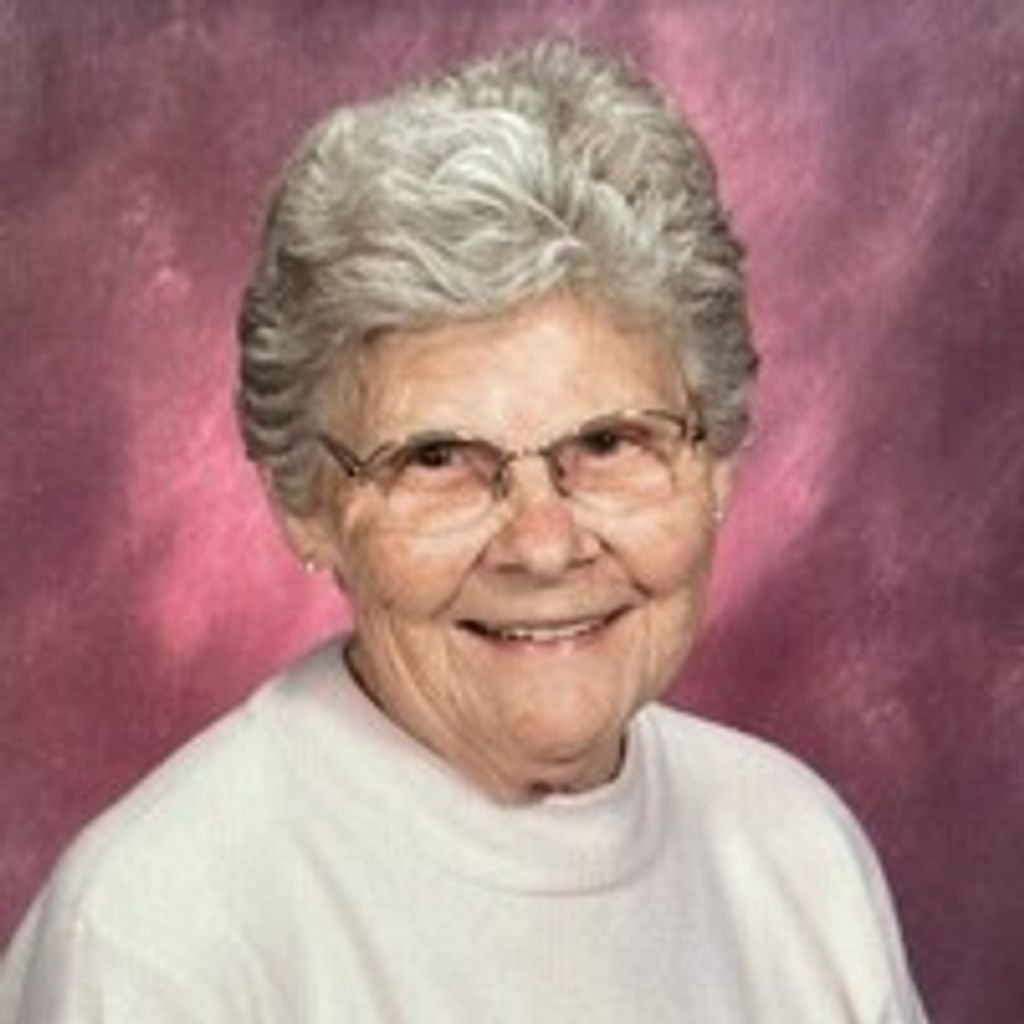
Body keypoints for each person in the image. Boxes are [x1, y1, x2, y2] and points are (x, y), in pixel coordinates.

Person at [0, 37, 927, 1022]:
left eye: (609, 441)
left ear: (719, 460)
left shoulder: (799, 855)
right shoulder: (161, 938)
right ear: (304, 503)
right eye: (437, 457)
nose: (543, 544)